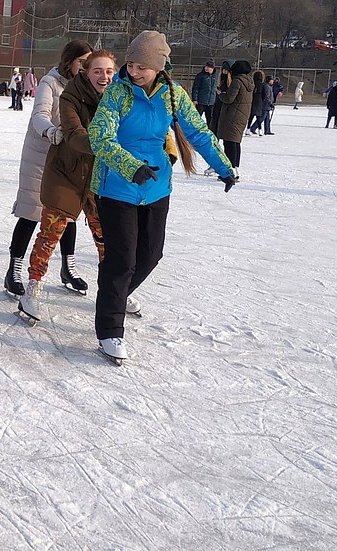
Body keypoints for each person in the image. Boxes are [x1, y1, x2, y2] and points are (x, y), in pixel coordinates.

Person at [88, 30, 235, 363]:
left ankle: (116, 297)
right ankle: (110, 330)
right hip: (117, 187)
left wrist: (224, 166)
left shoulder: (172, 94)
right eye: (131, 64)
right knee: (120, 260)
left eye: (142, 66)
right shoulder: (117, 95)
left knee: (151, 255)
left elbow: (198, 131)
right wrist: (130, 166)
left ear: (158, 66)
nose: (134, 71)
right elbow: (99, 138)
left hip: (156, 187)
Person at [17, 50, 116, 323]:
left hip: (100, 178)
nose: (104, 76)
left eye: (109, 71)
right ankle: (33, 287)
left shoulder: (120, 99)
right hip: (67, 173)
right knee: (50, 234)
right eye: (97, 70)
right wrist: (110, 147)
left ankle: (115, 291)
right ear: (85, 71)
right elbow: (74, 135)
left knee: (107, 238)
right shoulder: (70, 95)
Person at [3, 39, 92, 297]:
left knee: (67, 212)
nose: (86, 68)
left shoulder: (87, 87)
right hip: (40, 155)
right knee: (31, 212)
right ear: (69, 61)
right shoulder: (49, 83)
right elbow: (39, 115)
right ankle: (14, 269)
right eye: (82, 62)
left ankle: (68, 267)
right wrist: (51, 131)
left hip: (68, 158)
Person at [215, 59, 253, 180]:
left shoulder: (237, 81)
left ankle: (229, 171)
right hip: (242, 115)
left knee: (229, 143)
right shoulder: (249, 81)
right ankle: (236, 169)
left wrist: (220, 94)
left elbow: (229, 98)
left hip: (232, 116)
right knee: (235, 142)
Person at [191, 60, 216, 126]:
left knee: (210, 120)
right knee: (197, 118)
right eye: (206, 66)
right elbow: (195, 88)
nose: (207, 68)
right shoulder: (200, 76)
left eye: (209, 67)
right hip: (201, 101)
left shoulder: (215, 76)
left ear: (212, 68)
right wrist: (194, 99)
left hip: (211, 102)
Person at [246, 70, 264, 135]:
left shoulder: (252, 83)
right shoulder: (262, 84)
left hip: (252, 100)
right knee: (258, 117)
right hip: (259, 101)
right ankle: (260, 130)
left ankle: (248, 129)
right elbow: (263, 94)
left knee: (251, 116)